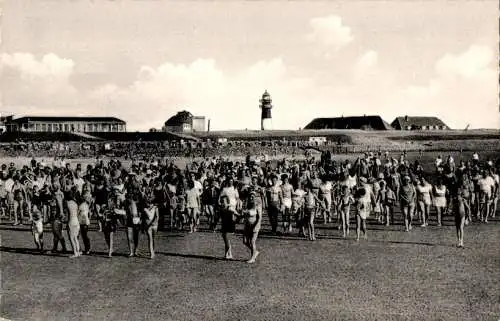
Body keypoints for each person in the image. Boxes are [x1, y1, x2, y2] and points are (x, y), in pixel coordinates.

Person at [242, 192, 261, 264]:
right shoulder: (247, 205)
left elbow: (259, 217)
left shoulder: (257, 205)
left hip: (255, 225)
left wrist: (256, 226)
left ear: (255, 198)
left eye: (253, 197)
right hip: (247, 225)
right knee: (245, 241)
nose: (251, 198)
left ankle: (252, 258)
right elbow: (244, 214)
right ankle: (255, 252)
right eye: (250, 197)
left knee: (252, 241)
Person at [66, 190, 81, 258]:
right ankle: (78, 251)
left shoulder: (67, 203)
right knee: (75, 238)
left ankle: (75, 252)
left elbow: (68, 214)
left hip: (71, 221)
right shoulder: (75, 203)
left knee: (71, 238)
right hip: (76, 221)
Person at [126, 192, 141, 257]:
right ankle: (131, 252)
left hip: (136, 221)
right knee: (129, 237)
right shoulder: (126, 204)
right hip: (129, 222)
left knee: (136, 237)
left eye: (130, 198)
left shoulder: (137, 204)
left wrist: (140, 219)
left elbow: (140, 213)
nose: (129, 200)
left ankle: (136, 251)